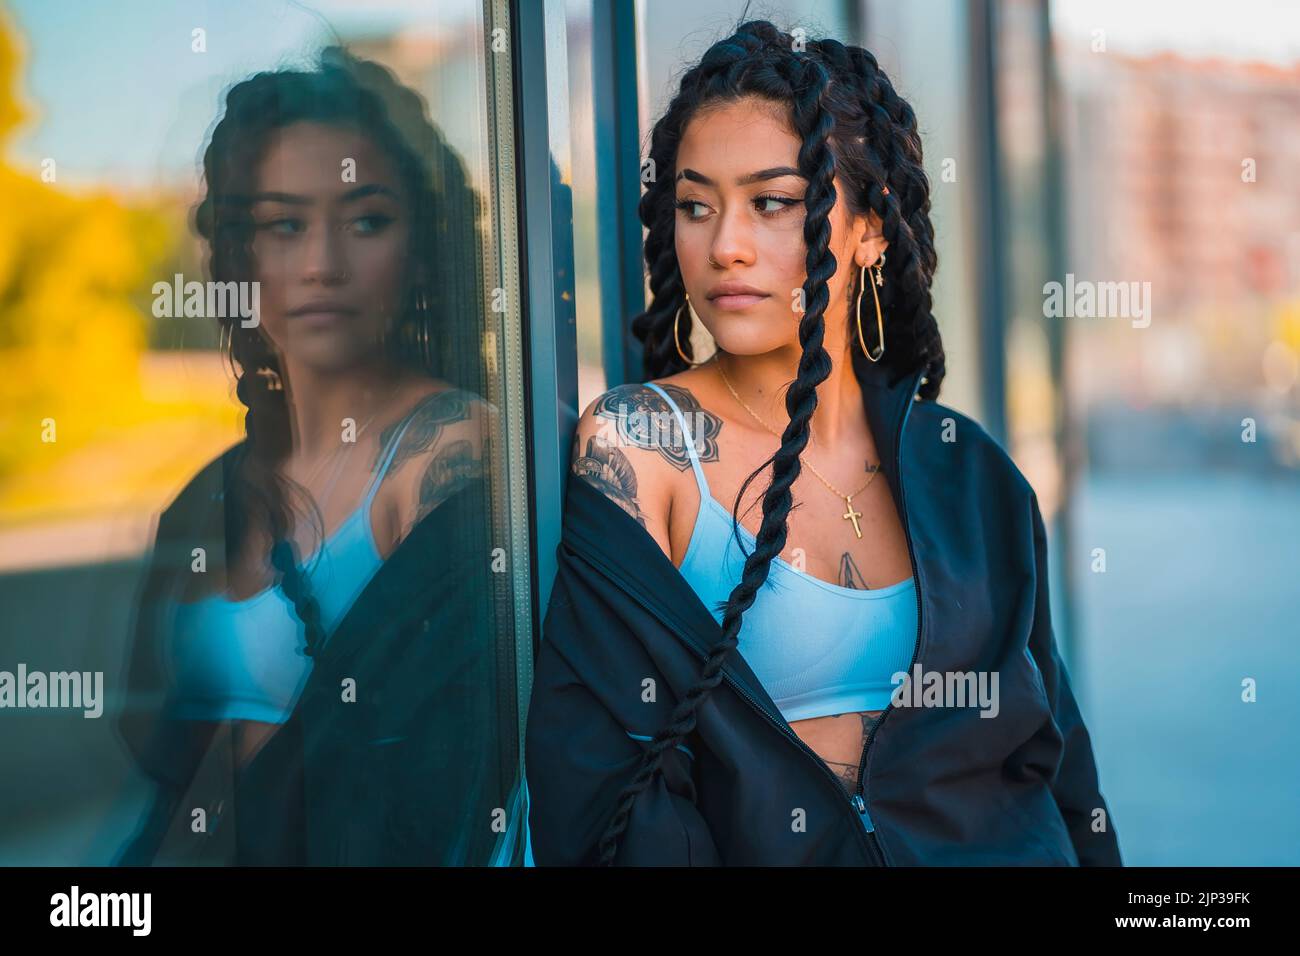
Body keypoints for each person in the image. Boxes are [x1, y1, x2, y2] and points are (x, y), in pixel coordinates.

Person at [526, 20, 1122, 866]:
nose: (725, 245)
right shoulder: (640, 450)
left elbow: (1056, 765)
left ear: (872, 227)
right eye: (696, 205)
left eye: (772, 203)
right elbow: (603, 793)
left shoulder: (971, 471)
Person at [114, 48, 523, 865]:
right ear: (238, 257)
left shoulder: (452, 456)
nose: (321, 265)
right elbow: (160, 757)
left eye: (366, 219)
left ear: (421, 247)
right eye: (283, 224)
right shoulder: (219, 490)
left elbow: (448, 793)